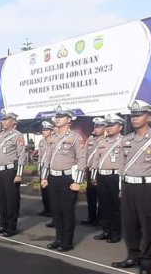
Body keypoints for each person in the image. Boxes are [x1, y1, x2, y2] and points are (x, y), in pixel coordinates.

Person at [112, 102, 151, 274]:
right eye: (133, 115)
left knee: (147, 225)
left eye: (139, 115)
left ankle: (146, 260)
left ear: (149, 117)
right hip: (128, 186)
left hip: (148, 186)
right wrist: (121, 188)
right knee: (129, 224)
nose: (135, 119)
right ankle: (132, 256)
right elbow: (121, 167)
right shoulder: (126, 140)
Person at [40, 108, 86, 252]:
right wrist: (44, 177)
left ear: (69, 120)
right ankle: (58, 238)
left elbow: (81, 159)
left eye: (61, 116)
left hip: (67, 178)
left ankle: (67, 242)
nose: (58, 118)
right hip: (53, 178)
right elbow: (47, 158)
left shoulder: (75, 138)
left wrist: (78, 181)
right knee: (56, 210)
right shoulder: (52, 138)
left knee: (66, 211)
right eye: (57, 116)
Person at [90, 114, 125, 243]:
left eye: (112, 125)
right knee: (104, 206)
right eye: (108, 125)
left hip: (116, 176)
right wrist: (94, 176)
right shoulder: (102, 142)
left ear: (120, 127)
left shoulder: (124, 141)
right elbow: (96, 160)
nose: (109, 128)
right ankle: (106, 230)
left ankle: (115, 233)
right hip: (102, 176)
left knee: (116, 207)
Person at [0, 113, 26, 237]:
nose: (3, 122)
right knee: (2, 200)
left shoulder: (18, 136)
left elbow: (21, 155)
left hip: (10, 171)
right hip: (0, 171)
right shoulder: (1, 136)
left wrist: (19, 174)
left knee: (11, 200)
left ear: (13, 122)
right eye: (3, 120)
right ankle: (3, 224)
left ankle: (11, 227)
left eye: (6, 120)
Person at [82, 118, 107, 225]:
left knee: (102, 196)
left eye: (99, 126)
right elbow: (84, 154)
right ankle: (91, 216)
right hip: (90, 170)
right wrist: (83, 168)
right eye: (95, 126)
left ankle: (101, 218)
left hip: (100, 171)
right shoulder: (91, 139)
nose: (96, 129)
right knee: (91, 195)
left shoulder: (107, 139)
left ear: (105, 127)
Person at [37, 121, 53, 219]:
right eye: (43, 130)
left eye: (46, 130)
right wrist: (39, 167)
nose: (44, 131)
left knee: (50, 191)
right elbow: (40, 156)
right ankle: (46, 208)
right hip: (43, 168)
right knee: (44, 190)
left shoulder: (54, 140)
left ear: (51, 131)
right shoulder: (41, 142)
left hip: (51, 168)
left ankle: (51, 210)